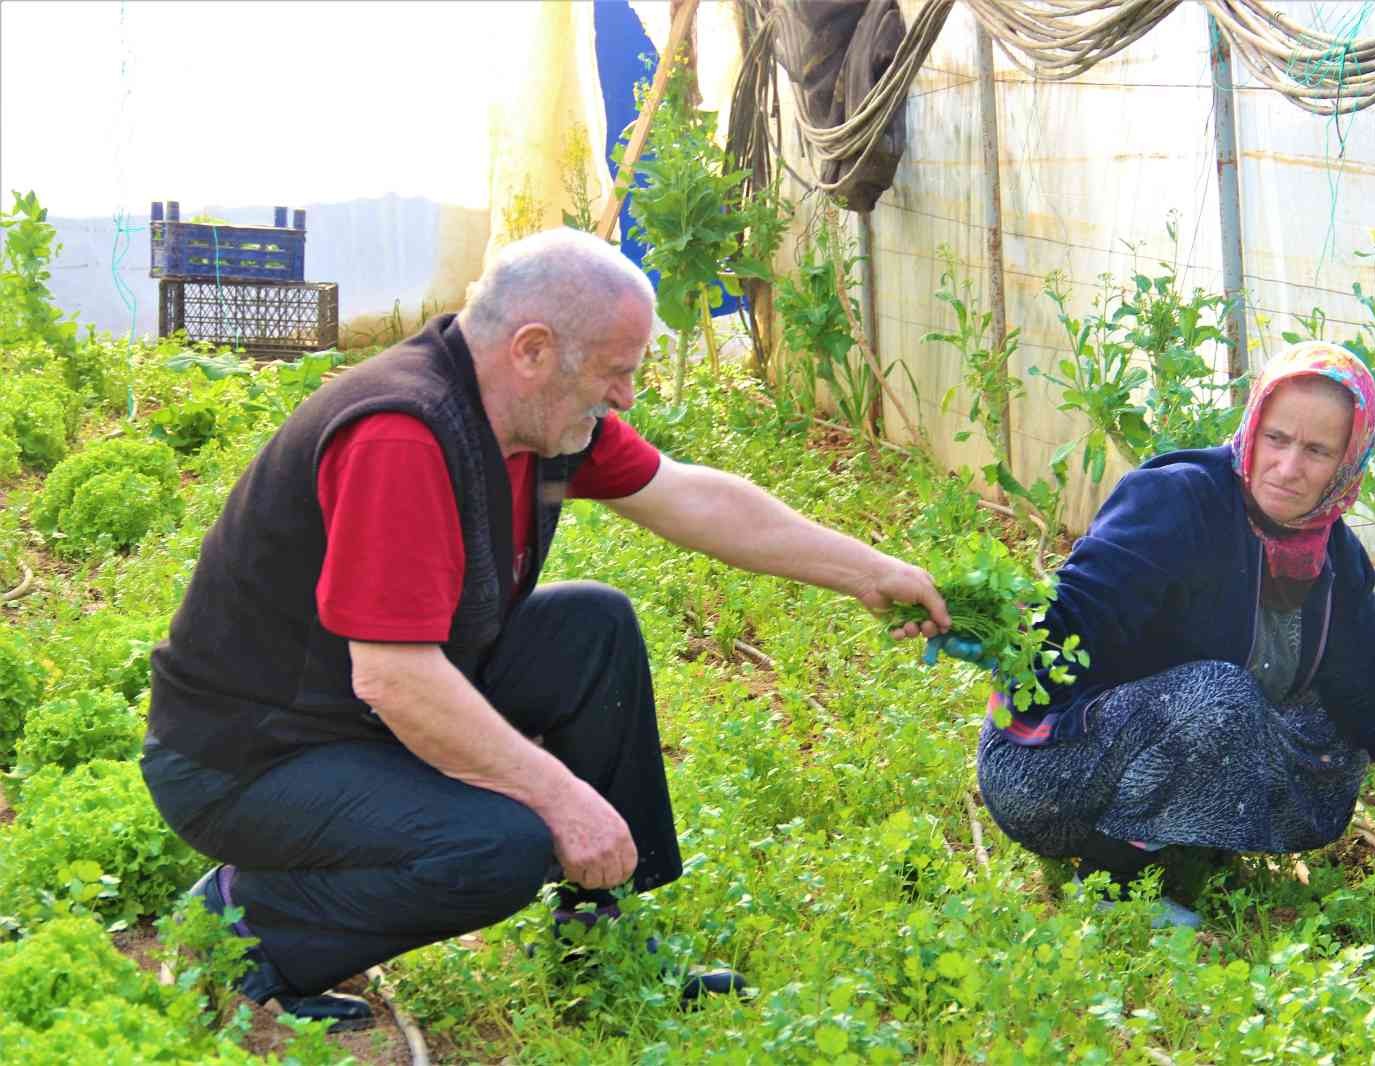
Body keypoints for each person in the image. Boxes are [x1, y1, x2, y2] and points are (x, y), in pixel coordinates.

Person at [141, 228, 951, 1029]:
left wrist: (869, 573)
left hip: (351, 712)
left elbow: (692, 498)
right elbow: (394, 678)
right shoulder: (403, 434)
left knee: (592, 627)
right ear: (532, 351)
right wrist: (564, 799)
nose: (626, 397)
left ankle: (603, 948)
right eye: (615, 372)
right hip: (246, 756)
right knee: (503, 846)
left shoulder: (535, 420)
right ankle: (238, 928)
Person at [935, 341, 1375, 928]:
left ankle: (1176, 845)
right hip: (1050, 773)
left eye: (1317, 450)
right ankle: (1108, 884)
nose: (1288, 468)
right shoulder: (1179, 500)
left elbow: (1366, 678)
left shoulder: (1335, 555)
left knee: (1335, 726)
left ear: (1347, 462)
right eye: (1277, 439)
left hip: (1141, 758)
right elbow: (1085, 605)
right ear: (1253, 426)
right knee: (1220, 693)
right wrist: (1006, 633)